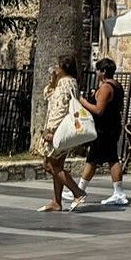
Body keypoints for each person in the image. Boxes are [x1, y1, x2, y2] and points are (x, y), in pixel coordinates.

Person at [72, 59, 128, 207]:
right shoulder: (116, 86)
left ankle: (118, 193)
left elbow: (99, 110)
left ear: (103, 72)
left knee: (109, 158)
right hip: (111, 126)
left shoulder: (106, 87)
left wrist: (82, 101)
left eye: (98, 70)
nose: (96, 73)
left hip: (105, 129)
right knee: (97, 158)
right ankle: (80, 189)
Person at [35, 58, 86, 212]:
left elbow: (59, 108)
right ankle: (57, 201)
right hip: (64, 129)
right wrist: (53, 79)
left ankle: (77, 192)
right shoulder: (69, 82)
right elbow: (48, 95)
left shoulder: (65, 84)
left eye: (57, 66)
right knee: (58, 165)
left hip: (58, 129)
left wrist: (51, 130)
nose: (55, 68)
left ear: (64, 68)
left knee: (50, 164)